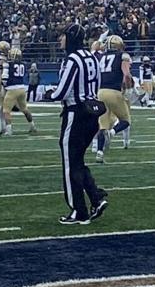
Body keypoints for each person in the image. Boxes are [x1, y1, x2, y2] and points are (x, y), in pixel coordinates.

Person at [45, 22, 108, 225]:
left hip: (76, 113)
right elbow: (96, 85)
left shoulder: (73, 59)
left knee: (69, 164)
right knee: (78, 161)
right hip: (92, 112)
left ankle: (78, 211)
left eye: (63, 36)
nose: (60, 39)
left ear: (70, 37)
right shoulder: (92, 57)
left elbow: (62, 91)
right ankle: (96, 198)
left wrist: (50, 94)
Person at [94, 36, 133, 159]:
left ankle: (99, 153)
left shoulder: (100, 57)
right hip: (114, 92)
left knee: (102, 126)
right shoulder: (122, 56)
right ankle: (112, 133)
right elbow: (126, 74)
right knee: (126, 121)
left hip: (100, 92)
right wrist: (129, 89)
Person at [1, 47, 38, 137]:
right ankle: (32, 125)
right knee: (24, 109)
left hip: (12, 89)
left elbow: (5, 78)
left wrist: (3, 86)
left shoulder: (8, 64)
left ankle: (9, 130)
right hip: (22, 88)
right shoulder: (23, 64)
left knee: (6, 110)